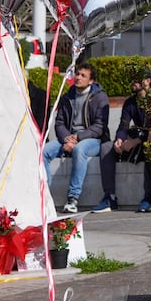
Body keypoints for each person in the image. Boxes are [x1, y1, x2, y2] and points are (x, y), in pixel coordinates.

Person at [42, 65, 110, 214]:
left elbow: (100, 126)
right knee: (44, 151)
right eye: (77, 74)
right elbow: (59, 123)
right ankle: (44, 197)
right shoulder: (68, 96)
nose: (78, 77)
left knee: (80, 149)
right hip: (69, 138)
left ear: (91, 81)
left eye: (83, 76)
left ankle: (73, 198)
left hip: (94, 140)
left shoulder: (100, 97)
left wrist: (78, 138)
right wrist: (67, 138)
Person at [93, 72, 151, 213]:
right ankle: (110, 197)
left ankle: (149, 198)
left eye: (136, 79)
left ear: (148, 81)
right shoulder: (130, 103)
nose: (133, 82)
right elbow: (123, 125)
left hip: (150, 141)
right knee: (107, 147)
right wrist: (120, 139)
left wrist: (136, 141)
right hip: (136, 142)